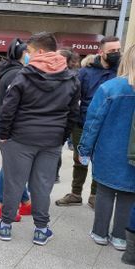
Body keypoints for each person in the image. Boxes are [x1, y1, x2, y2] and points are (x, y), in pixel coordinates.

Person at [0, 32, 80, 245]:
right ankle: (41, 229)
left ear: (40, 51)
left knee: (14, 183)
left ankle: (6, 225)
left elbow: (8, 109)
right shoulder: (71, 78)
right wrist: (60, 137)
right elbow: (73, 114)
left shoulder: (23, 75)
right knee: (42, 186)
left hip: (20, 139)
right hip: (51, 140)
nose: (28, 55)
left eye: (30, 51)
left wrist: (4, 135)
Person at [78, 44, 135, 251]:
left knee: (105, 192)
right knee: (129, 194)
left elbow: (93, 123)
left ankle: (100, 232)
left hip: (108, 151)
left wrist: (84, 149)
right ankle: (120, 237)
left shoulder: (110, 88)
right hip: (133, 157)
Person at [55, 36, 121, 209]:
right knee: (80, 158)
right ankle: (76, 194)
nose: (116, 54)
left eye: (118, 50)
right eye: (111, 51)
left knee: (99, 160)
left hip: (108, 126)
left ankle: (94, 195)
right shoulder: (86, 72)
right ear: (101, 52)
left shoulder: (121, 72)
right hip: (82, 123)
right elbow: (76, 96)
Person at [0, 38, 32, 222]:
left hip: (9, 130)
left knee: (15, 168)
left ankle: (25, 201)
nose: (30, 55)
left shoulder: (11, 71)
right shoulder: (16, 74)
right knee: (10, 169)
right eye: (28, 52)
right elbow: (11, 108)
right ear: (21, 54)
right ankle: (0, 205)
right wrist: (6, 133)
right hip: (12, 131)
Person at [54, 47, 81, 183]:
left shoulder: (73, 79)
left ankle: (55, 174)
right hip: (56, 124)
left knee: (56, 150)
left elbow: (73, 109)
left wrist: (66, 132)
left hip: (61, 123)